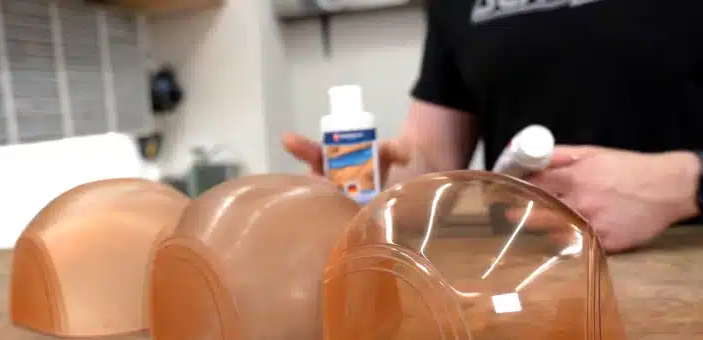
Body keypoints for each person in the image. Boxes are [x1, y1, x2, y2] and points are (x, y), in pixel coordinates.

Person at [282, 0, 703, 253]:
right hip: (527, 278)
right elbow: (431, 152)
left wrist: (685, 184)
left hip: (684, 269)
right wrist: (384, 182)